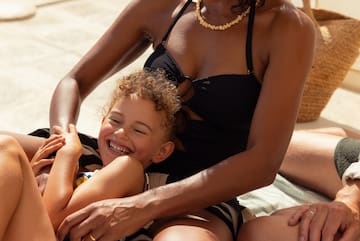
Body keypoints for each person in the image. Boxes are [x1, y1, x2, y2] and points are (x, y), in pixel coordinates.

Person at [46, 0, 319, 240]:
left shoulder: (286, 27)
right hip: (123, 162)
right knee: (6, 156)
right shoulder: (164, 6)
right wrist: (64, 145)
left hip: (197, 199)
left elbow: (263, 162)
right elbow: (74, 81)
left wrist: (143, 205)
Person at [0, 69, 181, 241]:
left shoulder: (130, 169)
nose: (121, 133)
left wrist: (67, 155)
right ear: (103, 121)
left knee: (8, 149)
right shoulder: (91, 169)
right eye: (115, 120)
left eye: (139, 130)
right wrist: (30, 176)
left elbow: (52, 217)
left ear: (161, 151)